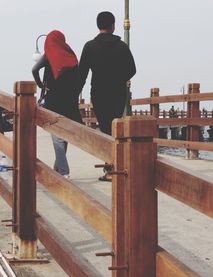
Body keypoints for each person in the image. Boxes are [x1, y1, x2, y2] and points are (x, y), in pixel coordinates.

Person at [78, 11, 136, 181]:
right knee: (116, 127)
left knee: (104, 129)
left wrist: (74, 94)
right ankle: (114, 168)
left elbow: (82, 74)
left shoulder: (90, 46)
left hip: (99, 92)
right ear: (113, 25)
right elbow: (132, 69)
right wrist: (119, 78)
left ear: (98, 25)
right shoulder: (122, 46)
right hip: (118, 92)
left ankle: (110, 168)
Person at [32, 30, 82, 179]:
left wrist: (41, 85)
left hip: (53, 99)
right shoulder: (71, 56)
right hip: (70, 100)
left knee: (57, 135)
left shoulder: (48, 55)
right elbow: (78, 80)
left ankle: (64, 172)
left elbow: (34, 70)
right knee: (64, 133)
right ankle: (58, 168)